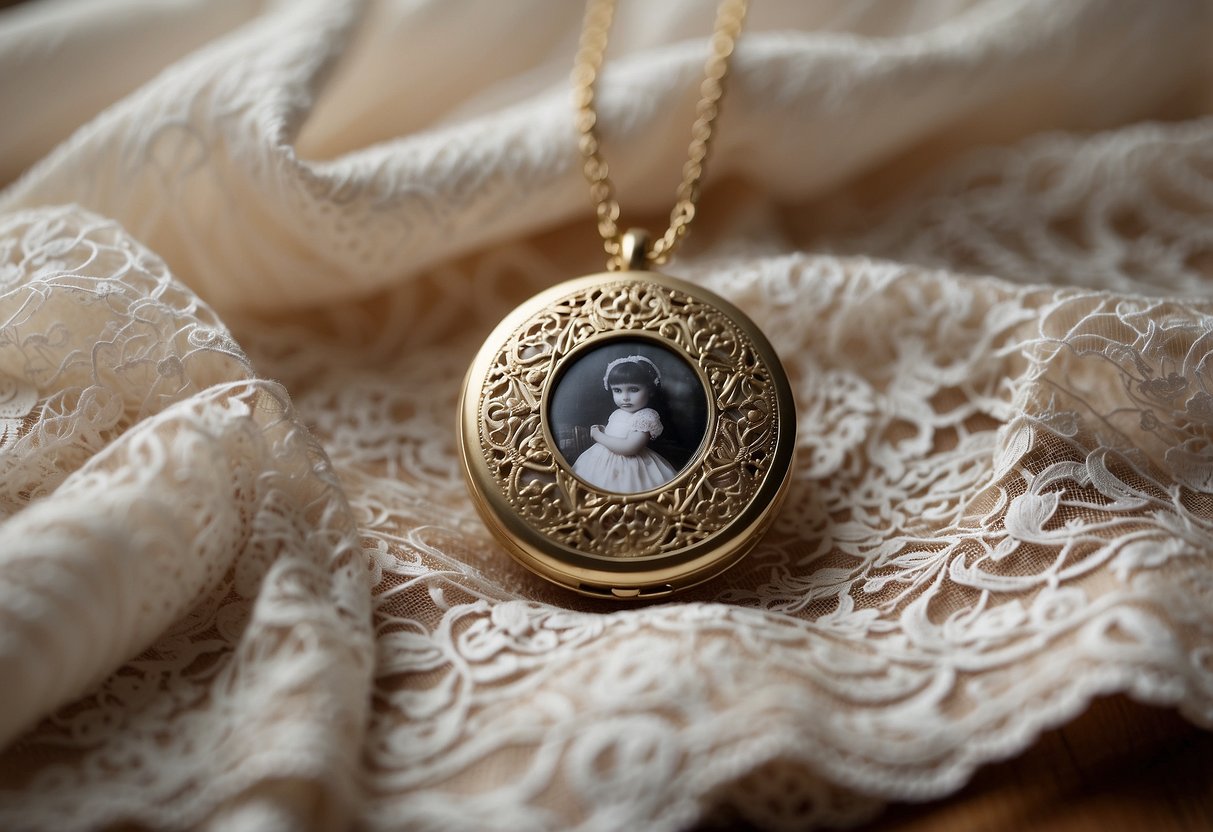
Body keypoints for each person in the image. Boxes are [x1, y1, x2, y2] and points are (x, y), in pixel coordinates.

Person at [572, 355, 678, 493]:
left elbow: (629, 447)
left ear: (650, 390)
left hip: (629, 466)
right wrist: (604, 431)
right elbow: (618, 433)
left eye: (633, 390)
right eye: (617, 390)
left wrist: (598, 436)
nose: (625, 397)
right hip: (601, 462)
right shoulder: (618, 413)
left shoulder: (646, 416)